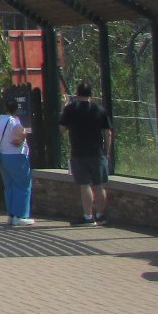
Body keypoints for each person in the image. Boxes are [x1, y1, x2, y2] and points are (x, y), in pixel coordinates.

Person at [60, 82, 113, 225]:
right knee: (99, 185)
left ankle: (88, 217)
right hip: (97, 152)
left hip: (78, 152)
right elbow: (107, 132)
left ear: (77, 95)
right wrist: (106, 151)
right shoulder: (99, 110)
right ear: (91, 95)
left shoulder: (70, 109)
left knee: (84, 185)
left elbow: (62, 129)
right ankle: (101, 216)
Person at [0, 97, 34, 226]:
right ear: (16, 109)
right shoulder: (13, 121)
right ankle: (20, 215)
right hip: (17, 156)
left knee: (9, 186)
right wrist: (23, 136)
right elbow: (20, 133)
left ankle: (11, 214)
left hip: (3, 155)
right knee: (22, 185)